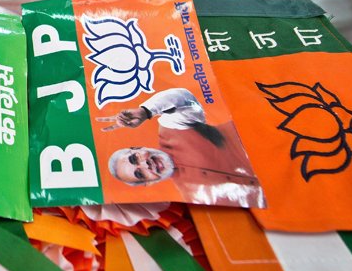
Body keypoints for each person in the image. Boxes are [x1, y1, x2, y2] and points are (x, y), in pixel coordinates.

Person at [99, 88, 262, 206]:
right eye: (140, 173)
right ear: (148, 183)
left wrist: (146, 111)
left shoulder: (171, 129)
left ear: (138, 147)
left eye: (135, 158)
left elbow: (184, 98)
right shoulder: (192, 197)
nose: (145, 164)